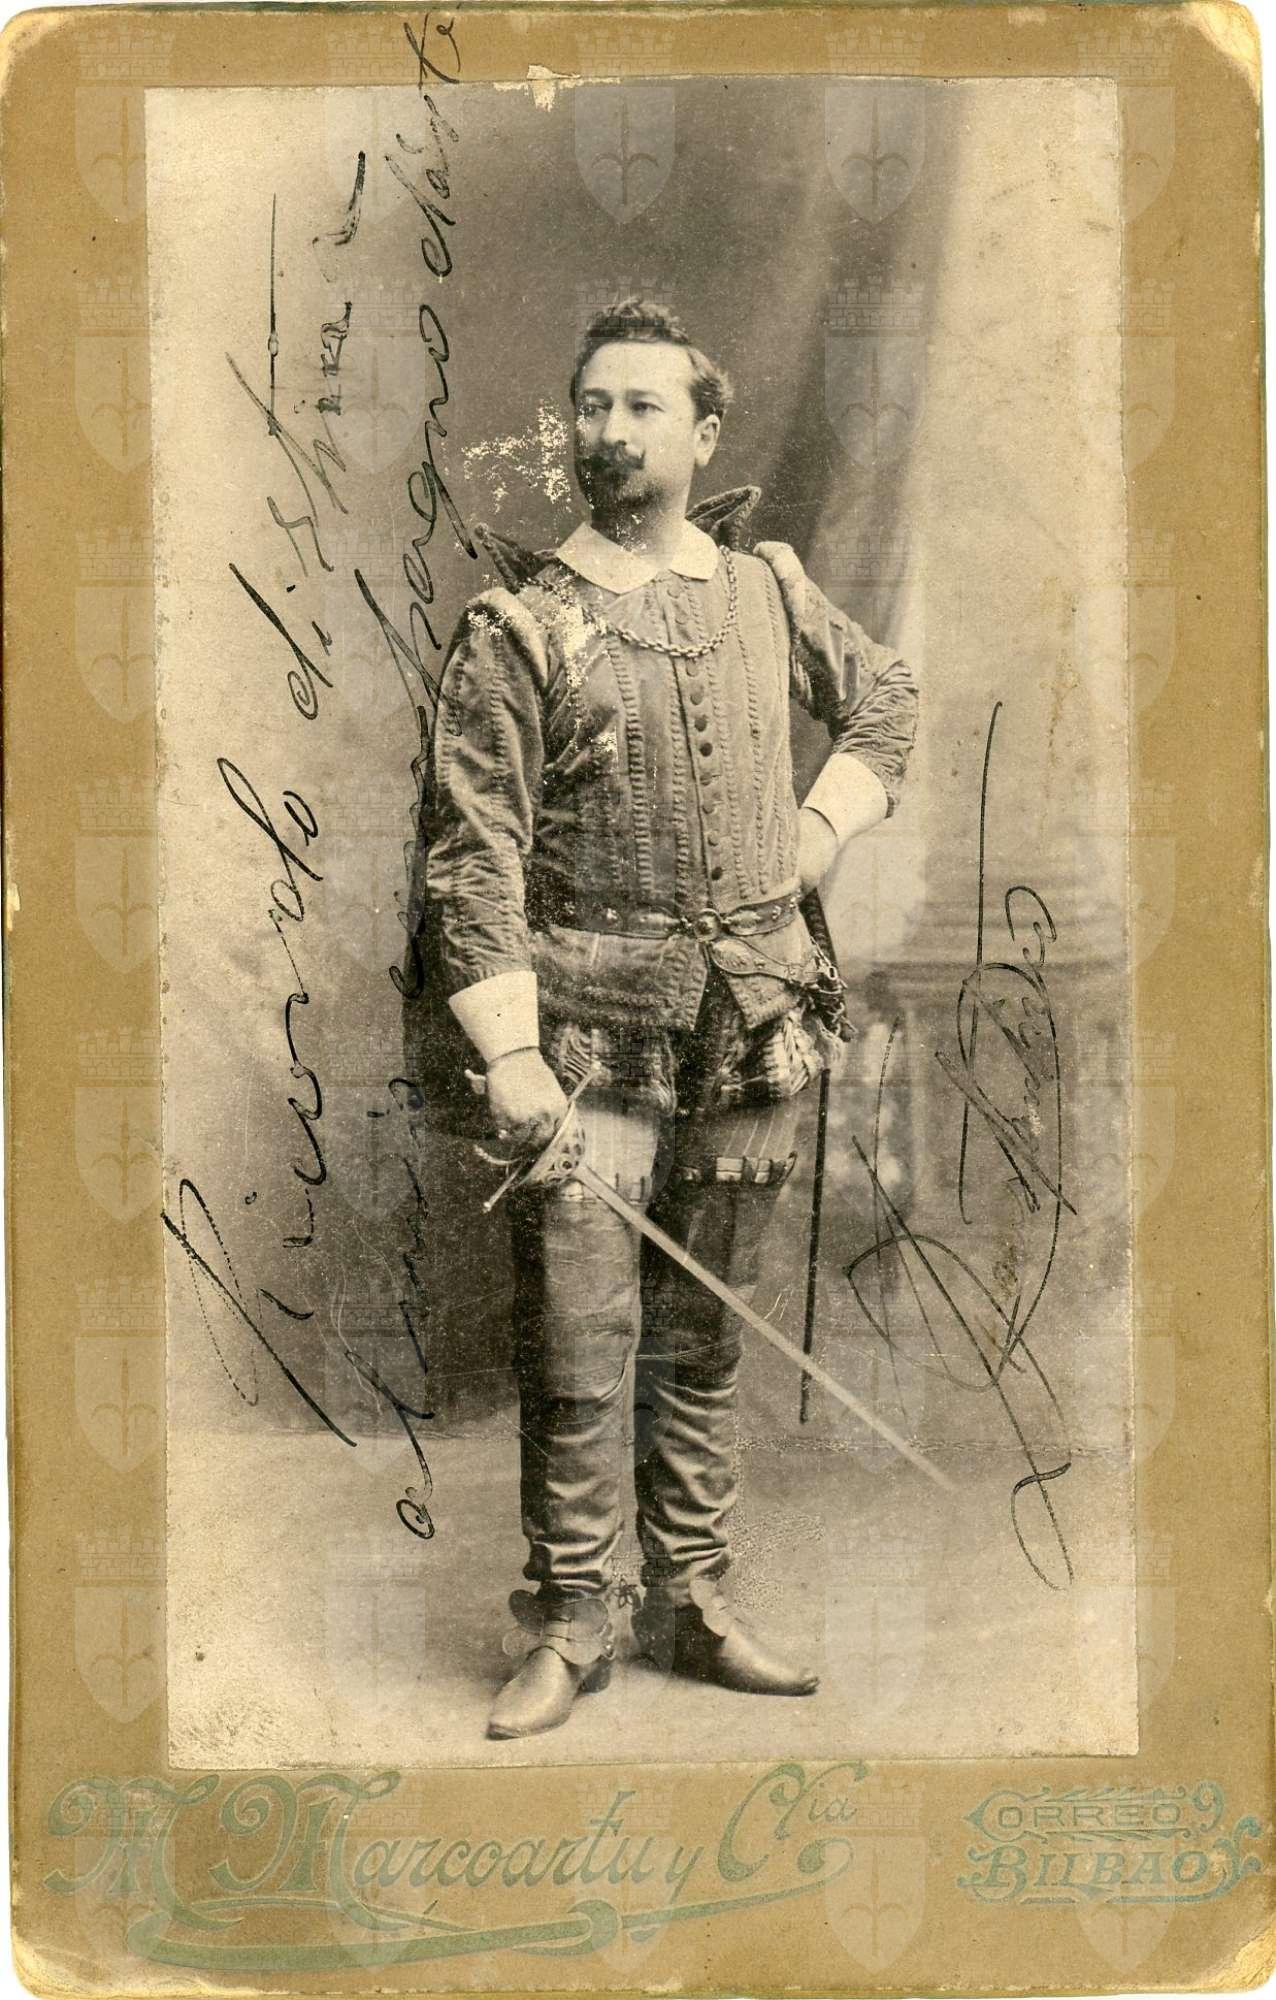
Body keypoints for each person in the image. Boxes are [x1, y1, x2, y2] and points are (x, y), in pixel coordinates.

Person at [417, 298, 918, 1740]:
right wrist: (513, 1051)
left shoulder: (765, 590)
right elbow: (473, 855)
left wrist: (815, 833)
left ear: (703, 434)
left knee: (700, 1343)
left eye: (643, 406)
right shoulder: (518, 626)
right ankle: (574, 1620)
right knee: (581, 1344)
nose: (611, 431)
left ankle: (692, 1602)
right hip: (587, 1046)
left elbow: (885, 701)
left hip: (751, 1031)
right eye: (592, 406)